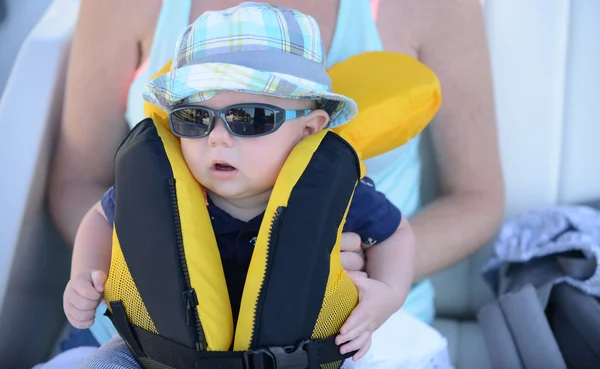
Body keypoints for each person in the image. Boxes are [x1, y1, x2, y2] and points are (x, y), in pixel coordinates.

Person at [47, 0, 503, 360]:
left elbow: (415, 226)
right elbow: (95, 206)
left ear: (310, 128)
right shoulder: (172, 181)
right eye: (193, 118)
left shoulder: (335, 192)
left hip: (334, 336)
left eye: (250, 118)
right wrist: (92, 276)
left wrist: (374, 290)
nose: (218, 139)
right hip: (150, 339)